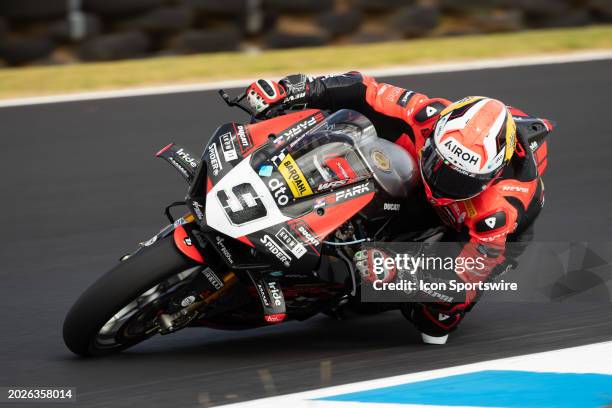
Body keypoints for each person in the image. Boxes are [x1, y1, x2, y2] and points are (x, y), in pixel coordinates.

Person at [245, 73, 550, 344]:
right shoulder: (428, 115)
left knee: (435, 324)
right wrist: (297, 89)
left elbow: (465, 280)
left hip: (473, 233)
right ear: (436, 135)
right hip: (421, 181)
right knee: (355, 134)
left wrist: (401, 273)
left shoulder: (497, 214)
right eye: (440, 165)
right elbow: (365, 90)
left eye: (459, 180)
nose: (444, 183)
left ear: (490, 176)